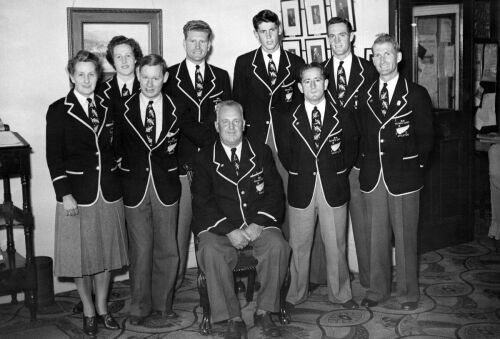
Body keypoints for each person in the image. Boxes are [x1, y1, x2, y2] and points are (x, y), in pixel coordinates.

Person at [191, 100, 290, 338]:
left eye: (236, 121)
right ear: (216, 125)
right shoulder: (205, 157)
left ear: (244, 124)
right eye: (225, 122)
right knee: (211, 252)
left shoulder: (261, 150)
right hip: (220, 229)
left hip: (257, 223)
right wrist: (229, 230)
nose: (231, 127)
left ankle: (264, 312)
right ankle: (233, 318)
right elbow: (202, 202)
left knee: (278, 246)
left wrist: (257, 224)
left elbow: (275, 193)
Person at [46, 50, 128, 336]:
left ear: (98, 76)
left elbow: (116, 144)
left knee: (106, 257)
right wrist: (64, 193)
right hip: (76, 195)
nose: (86, 79)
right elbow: (53, 157)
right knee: (81, 260)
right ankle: (89, 311)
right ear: (71, 76)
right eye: (80, 74)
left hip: (109, 191)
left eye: (91, 74)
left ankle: (103, 307)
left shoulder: (108, 106)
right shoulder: (58, 110)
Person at [357, 34, 433, 311]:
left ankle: (408, 293)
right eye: (376, 55)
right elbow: (361, 136)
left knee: (405, 238)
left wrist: (415, 168)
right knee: (376, 238)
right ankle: (377, 290)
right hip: (375, 177)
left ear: (398, 57)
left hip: (405, 178)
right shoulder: (365, 95)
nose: (381, 60)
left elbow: (426, 138)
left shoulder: (416, 93)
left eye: (387, 54)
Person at [277, 63, 357, 309]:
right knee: (299, 245)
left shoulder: (342, 115)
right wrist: (302, 171)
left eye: (317, 80)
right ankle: (296, 294)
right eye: (307, 82)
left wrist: (335, 172)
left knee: (336, 245)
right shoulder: (288, 117)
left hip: (333, 187)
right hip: (302, 188)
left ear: (326, 83)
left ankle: (341, 294)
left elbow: (351, 148)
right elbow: (285, 154)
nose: (313, 86)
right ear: (300, 87)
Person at [113, 54, 181, 325]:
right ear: (137, 76)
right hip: (134, 185)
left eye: (156, 77)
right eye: (145, 77)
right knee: (140, 250)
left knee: (168, 248)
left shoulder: (177, 106)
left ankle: (164, 304)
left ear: (164, 77)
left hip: (166, 185)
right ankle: (139, 307)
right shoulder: (122, 107)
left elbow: (185, 144)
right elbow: (114, 144)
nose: (150, 83)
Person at [164, 20, 231, 290]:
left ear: (210, 44)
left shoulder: (222, 76)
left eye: (203, 41)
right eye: (193, 40)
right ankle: (175, 283)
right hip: (182, 163)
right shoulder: (169, 76)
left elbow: (227, 117)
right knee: (180, 230)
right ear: (184, 43)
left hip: (214, 163)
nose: (198, 46)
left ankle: (217, 281)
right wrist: (206, 135)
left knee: (214, 224)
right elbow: (175, 118)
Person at [315, 16, 378, 290]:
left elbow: (376, 120)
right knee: (329, 229)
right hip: (329, 163)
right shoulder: (319, 72)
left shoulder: (369, 70)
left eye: (342, 35)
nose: (337, 41)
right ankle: (327, 280)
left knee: (364, 227)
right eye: (332, 36)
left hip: (360, 163)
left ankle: (371, 280)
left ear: (351, 36)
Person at [233, 9, 304, 238]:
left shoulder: (295, 63)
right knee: (258, 196)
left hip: (286, 141)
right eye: (263, 32)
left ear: (279, 29)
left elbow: (299, 109)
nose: (269, 36)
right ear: (256, 34)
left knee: (285, 195)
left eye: (272, 30)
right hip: (256, 141)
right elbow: (238, 107)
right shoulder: (244, 63)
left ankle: (288, 256)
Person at [100, 35, 143, 105]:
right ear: (113, 61)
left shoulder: (146, 86)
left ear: (135, 59)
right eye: (118, 57)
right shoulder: (101, 90)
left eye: (128, 55)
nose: (124, 61)